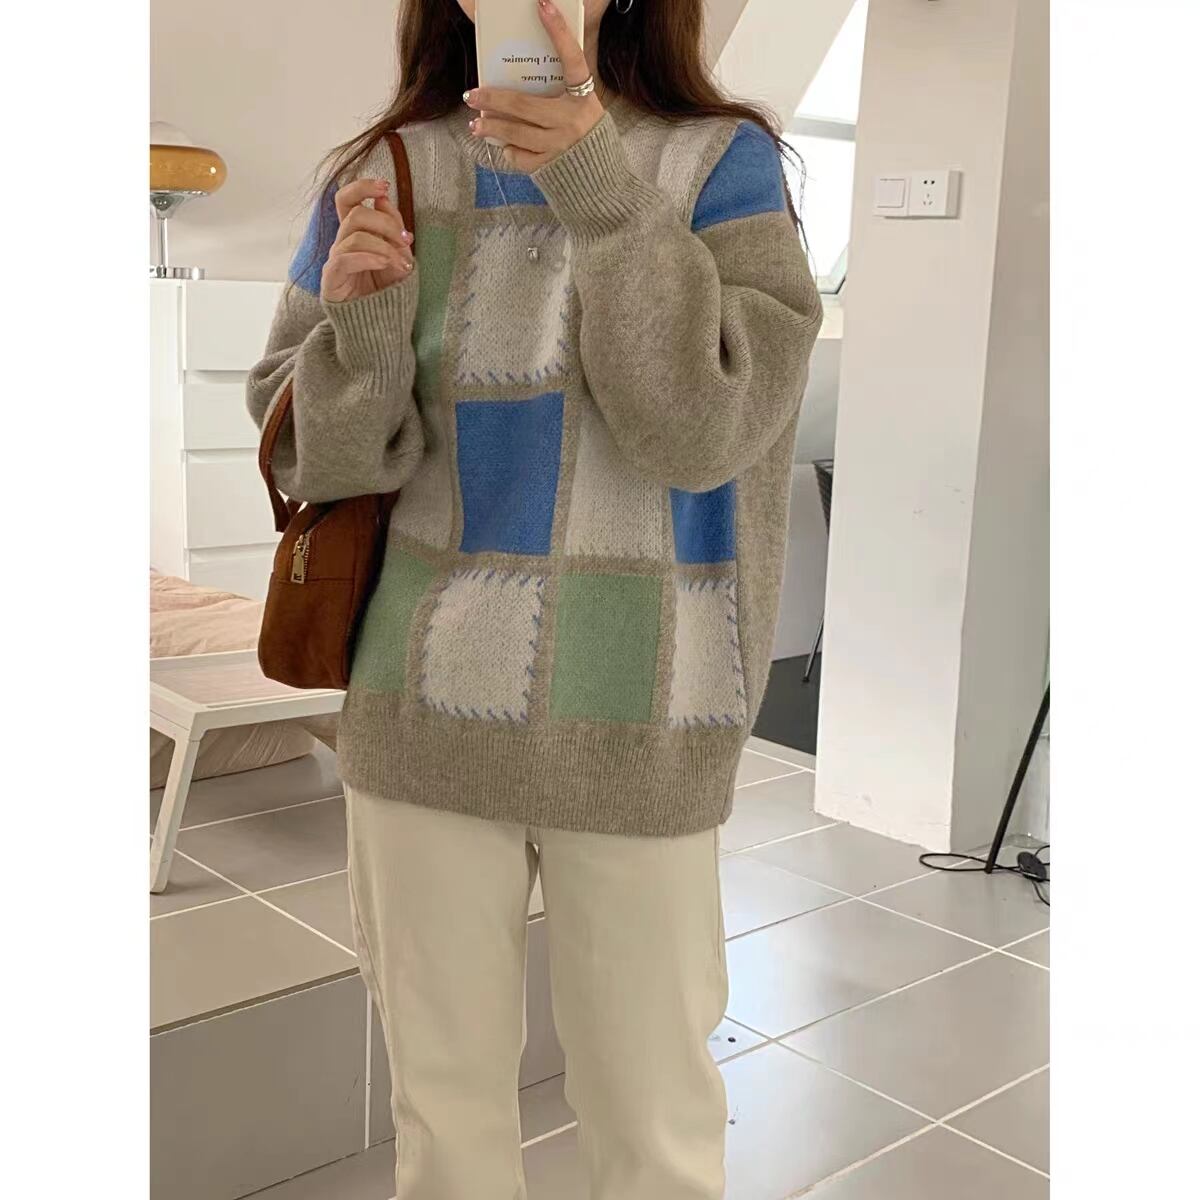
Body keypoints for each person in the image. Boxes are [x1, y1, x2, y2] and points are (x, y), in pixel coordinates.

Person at [247, 1, 821, 1195]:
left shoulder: (723, 162)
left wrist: (601, 190)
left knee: (653, 1123)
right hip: (420, 699)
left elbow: (702, 433)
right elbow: (312, 461)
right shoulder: (385, 170)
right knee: (444, 1115)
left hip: (647, 709)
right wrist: (362, 331)